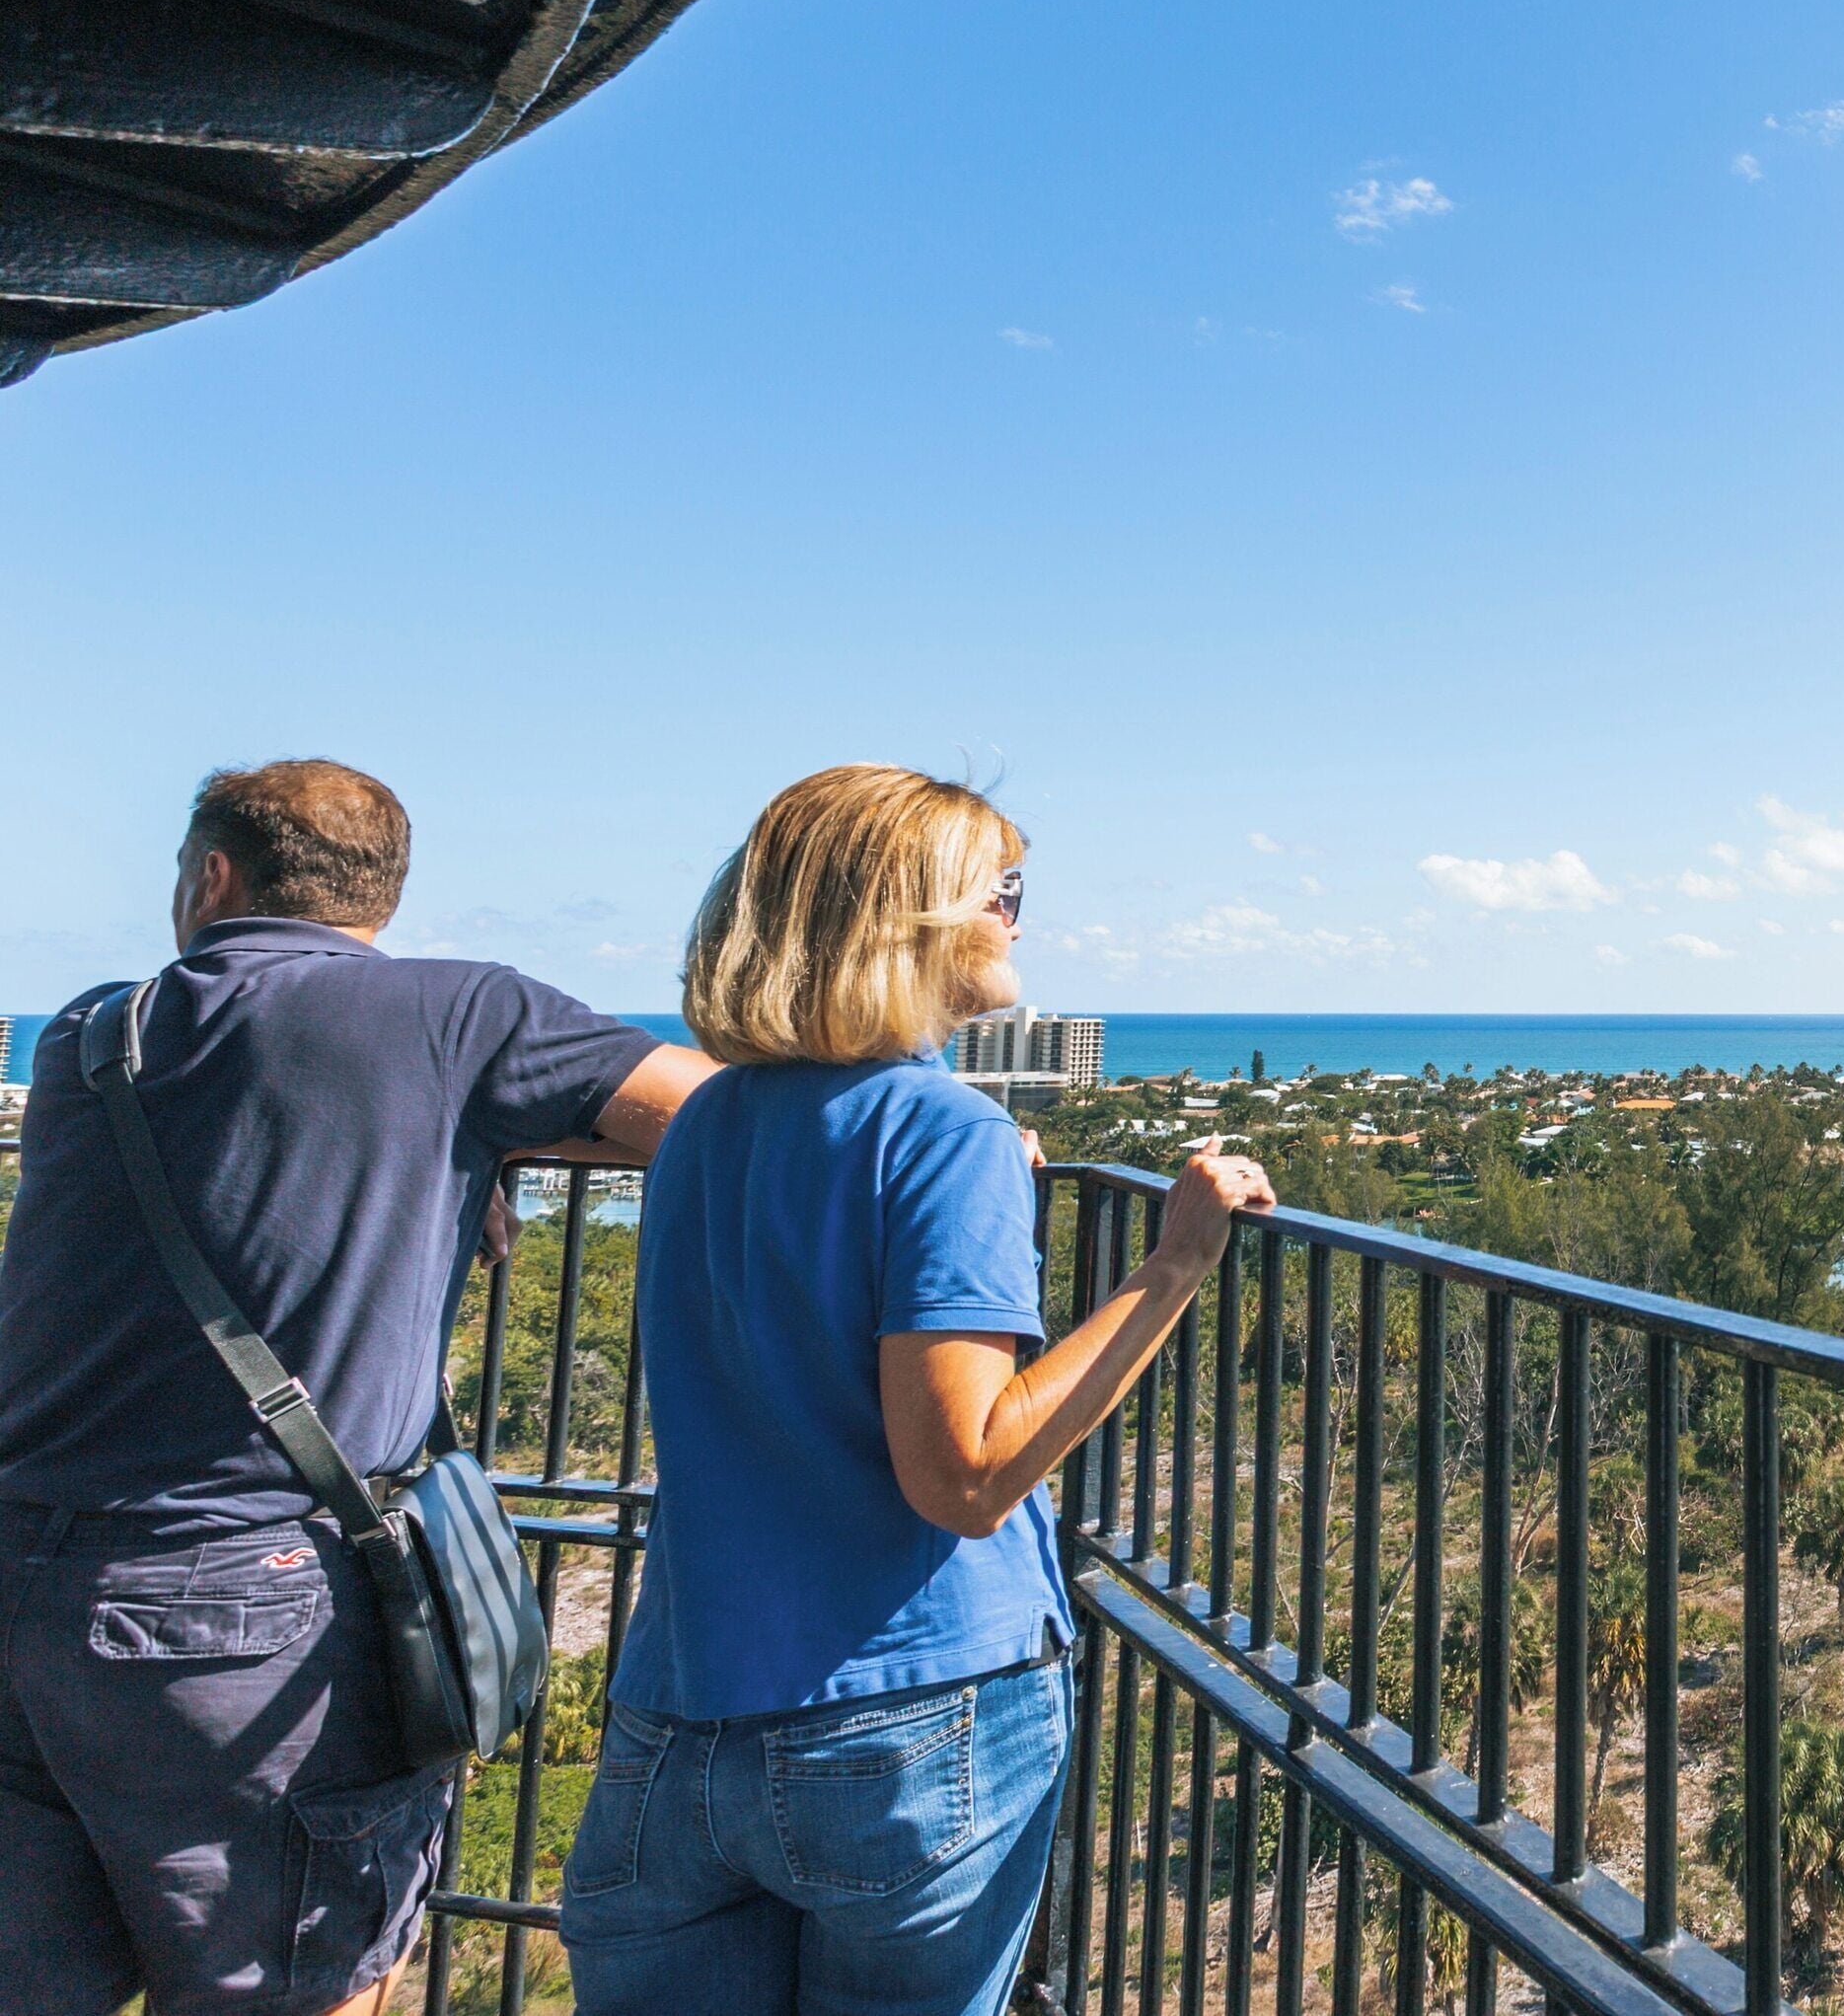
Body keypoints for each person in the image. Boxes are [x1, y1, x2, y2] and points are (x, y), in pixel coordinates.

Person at [0, 760, 714, 2016]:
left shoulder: (84, 1035)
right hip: (242, 1618)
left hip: (28, 1577)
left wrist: (456, 1133)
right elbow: (716, 1117)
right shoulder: (459, 1015)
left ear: (212, 875)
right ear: (383, 890)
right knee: (299, 1985)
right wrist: (471, 1129)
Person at [562, 766, 1270, 2016]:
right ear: (912, 917)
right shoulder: (945, 1131)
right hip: (903, 1723)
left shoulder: (708, 1121)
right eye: (1000, 890)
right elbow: (968, 1474)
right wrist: (1175, 1263)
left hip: (681, 1704)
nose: (1018, 916)